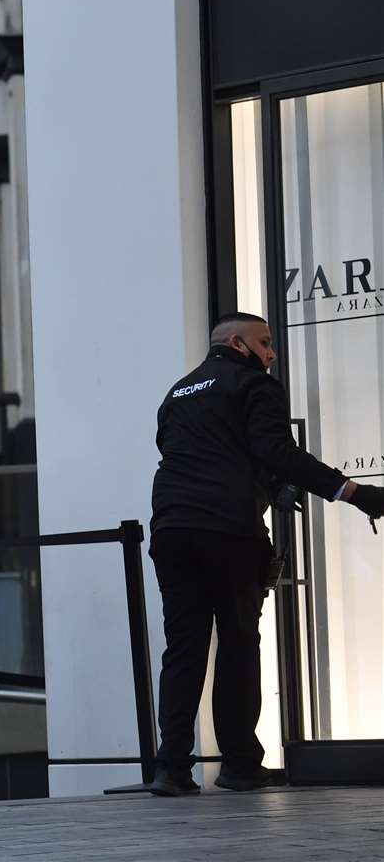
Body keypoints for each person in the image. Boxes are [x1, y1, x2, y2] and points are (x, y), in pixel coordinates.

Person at [147, 312, 384, 797]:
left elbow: (186, 450)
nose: (272, 354)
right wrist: (355, 493)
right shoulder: (253, 384)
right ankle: (239, 765)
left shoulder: (177, 391)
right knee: (236, 643)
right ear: (238, 344)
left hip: (171, 529)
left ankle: (171, 768)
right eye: (266, 343)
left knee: (183, 649)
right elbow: (277, 452)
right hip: (228, 531)